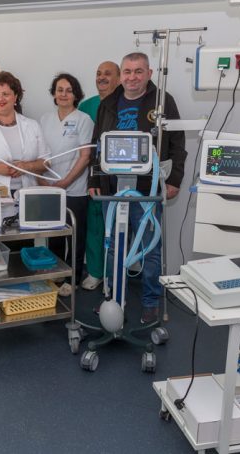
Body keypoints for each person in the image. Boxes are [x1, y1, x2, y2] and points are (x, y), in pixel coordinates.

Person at [88, 52, 186, 325]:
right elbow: (97, 144)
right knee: (113, 246)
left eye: (138, 71)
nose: (132, 77)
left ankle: (150, 302)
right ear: (121, 75)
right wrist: (94, 180)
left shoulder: (162, 102)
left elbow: (177, 143)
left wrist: (174, 179)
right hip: (112, 186)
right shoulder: (108, 103)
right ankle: (112, 298)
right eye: (127, 71)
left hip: (146, 187)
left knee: (150, 248)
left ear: (149, 73)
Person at [39, 73, 94, 296]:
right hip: (48, 187)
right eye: (59, 90)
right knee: (54, 234)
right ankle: (57, 274)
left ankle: (73, 278)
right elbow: (39, 153)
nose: (64, 94)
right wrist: (41, 180)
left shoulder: (83, 120)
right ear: (54, 93)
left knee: (75, 235)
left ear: (76, 95)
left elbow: (85, 156)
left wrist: (65, 182)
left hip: (74, 189)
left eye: (69, 90)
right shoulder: (44, 119)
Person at [78, 61, 121, 291]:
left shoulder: (126, 102)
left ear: (119, 78)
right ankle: (96, 271)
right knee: (95, 225)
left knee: (120, 227)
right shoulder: (87, 106)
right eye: (98, 73)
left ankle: (116, 274)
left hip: (122, 176)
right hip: (95, 174)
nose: (101, 77)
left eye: (107, 73)